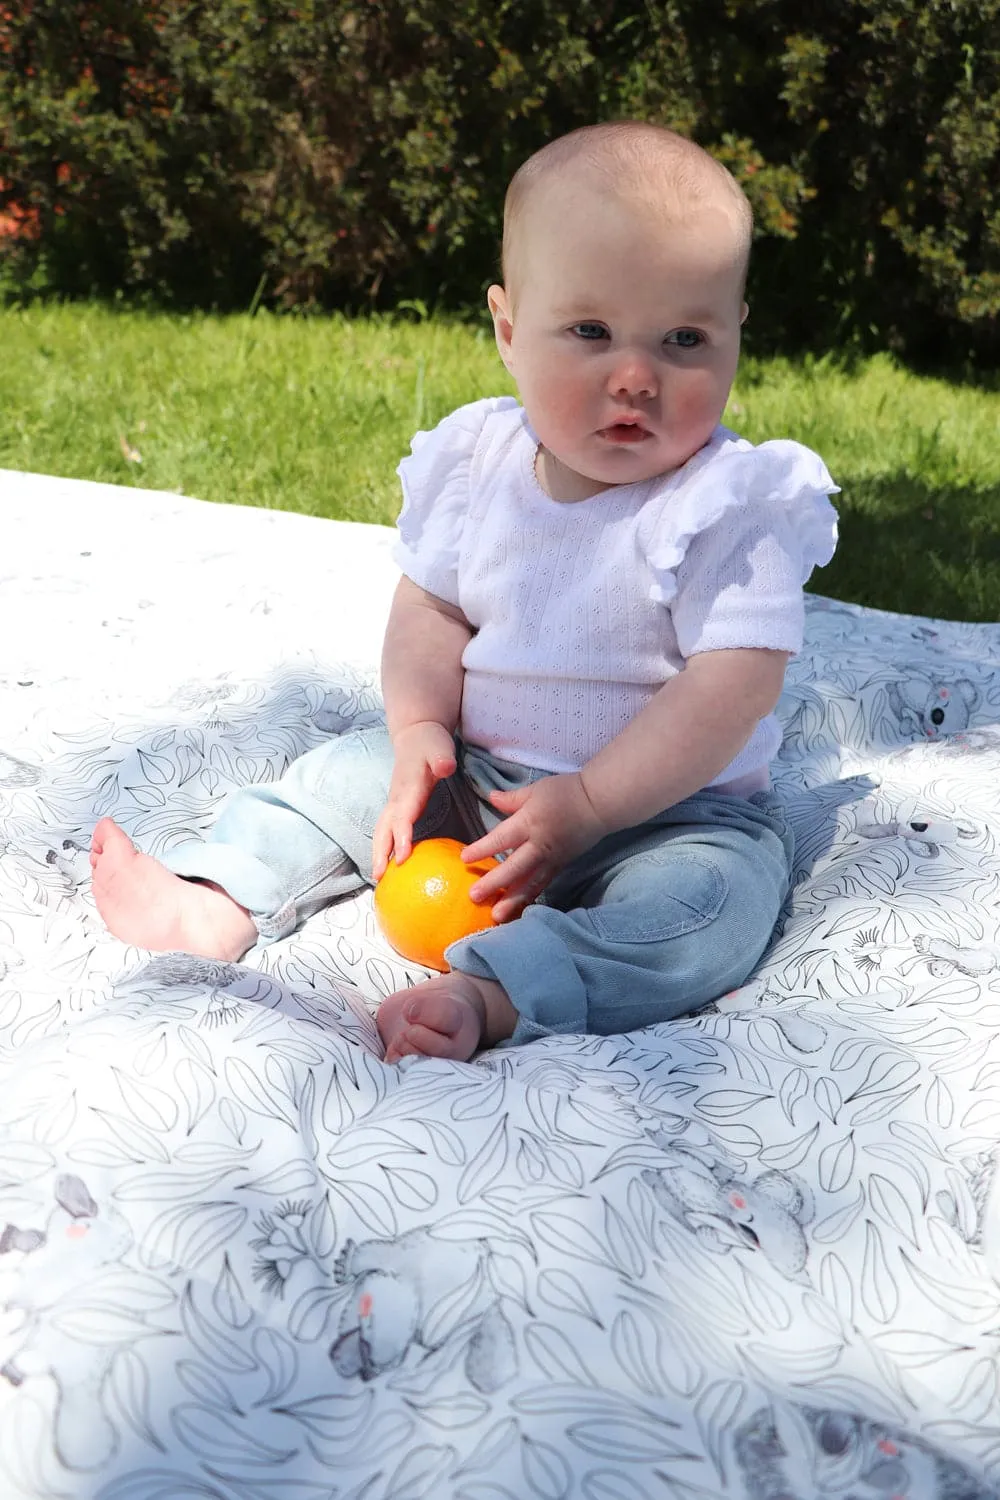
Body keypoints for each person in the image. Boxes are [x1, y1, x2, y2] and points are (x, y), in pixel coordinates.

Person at [91, 120, 838, 1064]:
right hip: (477, 785)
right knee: (340, 780)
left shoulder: (728, 503)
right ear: (508, 328)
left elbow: (734, 686)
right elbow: (431, 612)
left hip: (664, 818)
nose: (638, 376)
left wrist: (596, 805)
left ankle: (496, 991)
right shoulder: (478, 465)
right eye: (592, 332)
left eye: (684, 338)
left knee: (714, 912)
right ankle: (218, 896)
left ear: (736, 335)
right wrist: (418, 736)